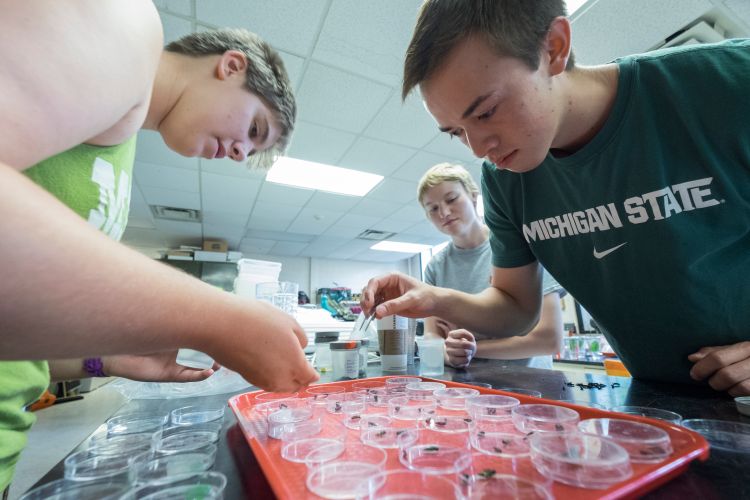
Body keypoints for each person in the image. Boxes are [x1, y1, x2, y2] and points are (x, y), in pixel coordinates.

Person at [0, 1, 318, 492]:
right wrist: (217, 318)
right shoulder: (121, 23)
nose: (238, 153)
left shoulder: (114, 143)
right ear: (232, 66)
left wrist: (103, 359)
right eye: (253, 130)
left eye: (249, 152)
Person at [362, 0, 750, 395]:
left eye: (486, 112)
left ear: (554, 47)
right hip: (662, 397)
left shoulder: (729, 84)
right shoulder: (505, 178)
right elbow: (515, 306)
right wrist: (433, 298)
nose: (477, 149)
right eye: (455, 132)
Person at [419, 163, 564, 369]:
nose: (444, 212)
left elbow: (549, 339)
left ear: (473, 196)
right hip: (469, 390)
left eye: (451, 199)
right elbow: (433, 338)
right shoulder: (435, 267)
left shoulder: (518, 246)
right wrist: (447, 352)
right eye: (432, 208)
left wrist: (471, 347)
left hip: (530, 387)